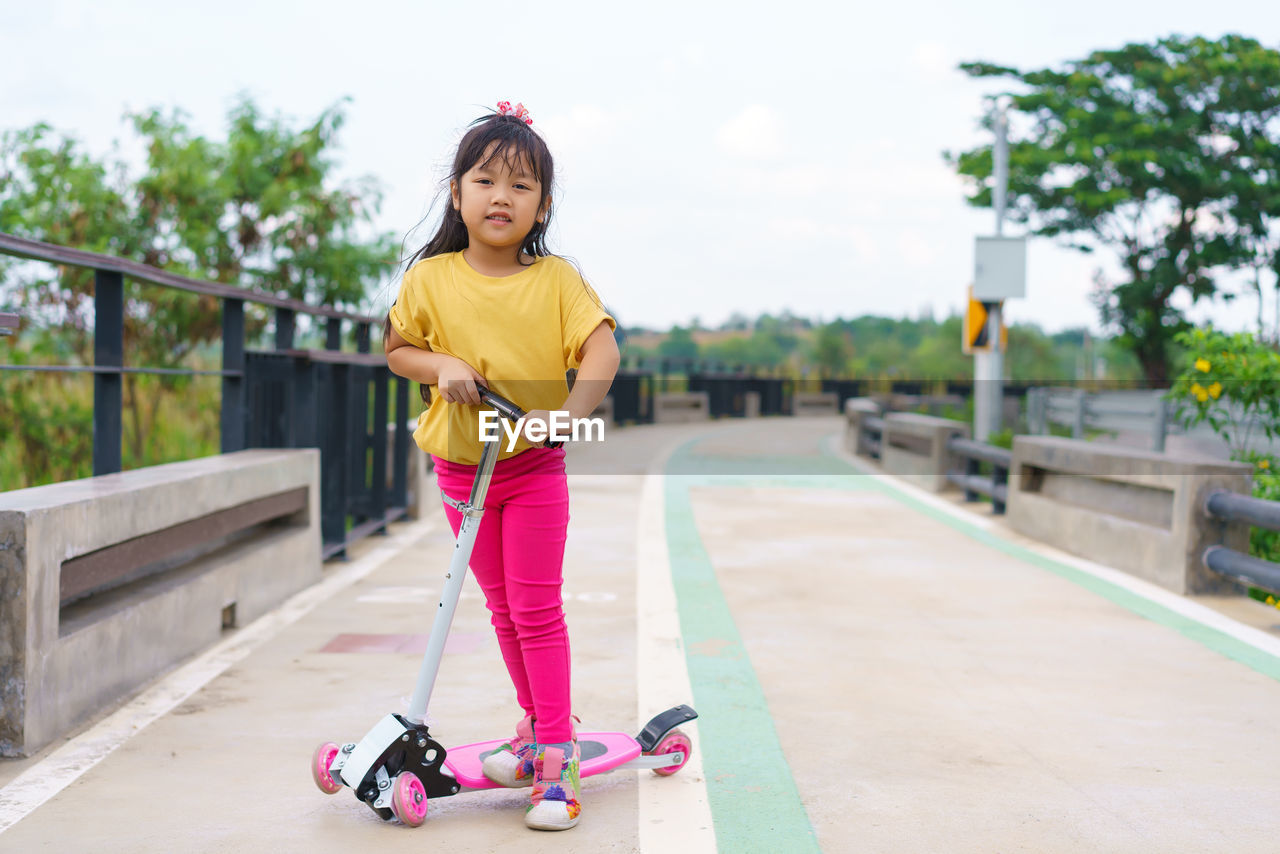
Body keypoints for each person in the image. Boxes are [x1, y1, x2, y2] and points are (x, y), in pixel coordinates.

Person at [383, 100, 619, 832]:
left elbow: (601, 349)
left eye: (521, 186)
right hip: (463, 472)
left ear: (542, 205)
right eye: (486, 181)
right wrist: (442, 361)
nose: (501, 197)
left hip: (530, 467)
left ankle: (557, 753)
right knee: (503, 610)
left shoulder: (555, 282)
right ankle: (535, 724)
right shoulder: (430, 279)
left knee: (537, 607)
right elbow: (398, 350)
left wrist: (570, 413)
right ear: (457, 193)